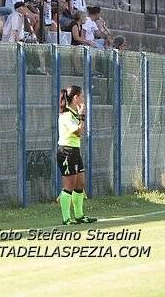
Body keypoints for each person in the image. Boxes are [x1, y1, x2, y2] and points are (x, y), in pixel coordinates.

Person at [56, 85, 97, 225]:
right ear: (75, 97)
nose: (83, 98)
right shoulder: (66, 115)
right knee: (69, 185)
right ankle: (66, 218)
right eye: (82, 96)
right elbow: (79, 132)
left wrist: (80, 116)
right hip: (66, 152)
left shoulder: (73, 114)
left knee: (80, 184)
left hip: (75, 151)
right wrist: (82, 116)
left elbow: (79, 132)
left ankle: (79, 216)